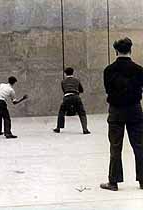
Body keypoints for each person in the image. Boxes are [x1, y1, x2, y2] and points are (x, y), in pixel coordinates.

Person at [100, 37, 143, 191]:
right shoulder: (139, 69)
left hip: (116, 111)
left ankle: (113, 182)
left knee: (115, 147)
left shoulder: (109, 70)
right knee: (139, 146)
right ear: (130, 50)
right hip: (135, 111)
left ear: (116, 51)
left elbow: (107, 90)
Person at [53, 67, 90, 134]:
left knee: (62, 111)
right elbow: (81, 90)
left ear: (65, 73)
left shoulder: (63, 81)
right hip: (76, 96)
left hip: (67, 97)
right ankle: (85, 129)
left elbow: (64, 90)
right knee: (82, 112)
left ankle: (58, 128)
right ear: (73, 72)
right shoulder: (77, 80)